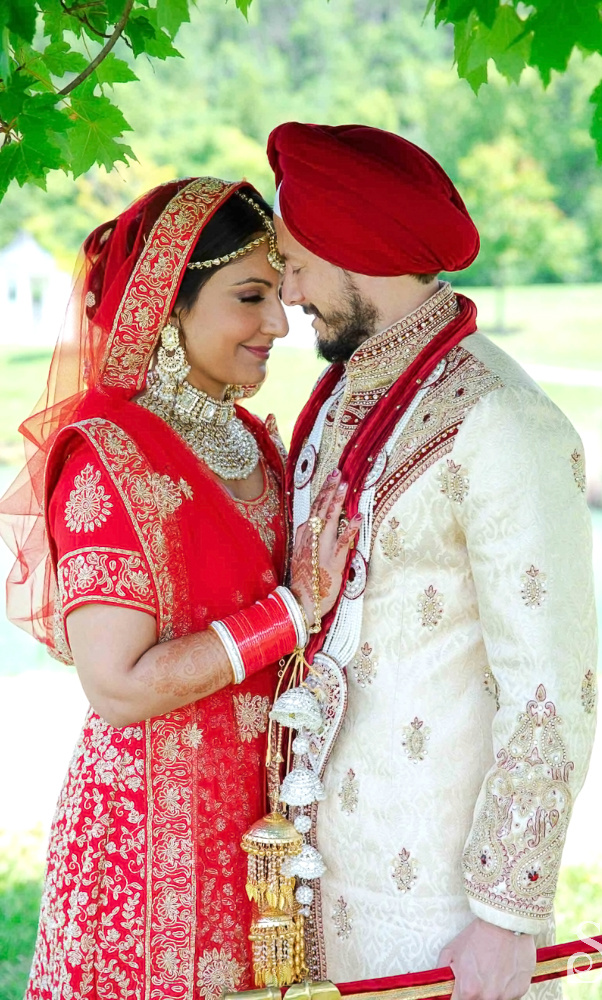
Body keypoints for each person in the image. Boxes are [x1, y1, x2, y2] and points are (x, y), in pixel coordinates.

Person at [0, 176, 359, 1000]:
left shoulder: (252, 442)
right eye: (249, 297)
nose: (278, 324)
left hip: (264, 834)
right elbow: (118, 686)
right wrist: (292, 611)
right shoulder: (110, 457)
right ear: (168, 304)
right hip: (145, 845)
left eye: (278, 294)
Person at [267, 123, 597, 1000]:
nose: (288, 292)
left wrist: (504, 918)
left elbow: (549, 687)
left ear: (356, 248)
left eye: (297, 264)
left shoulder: (501, 420)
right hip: (320, 885)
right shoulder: (339, 395)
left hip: (438, 910)